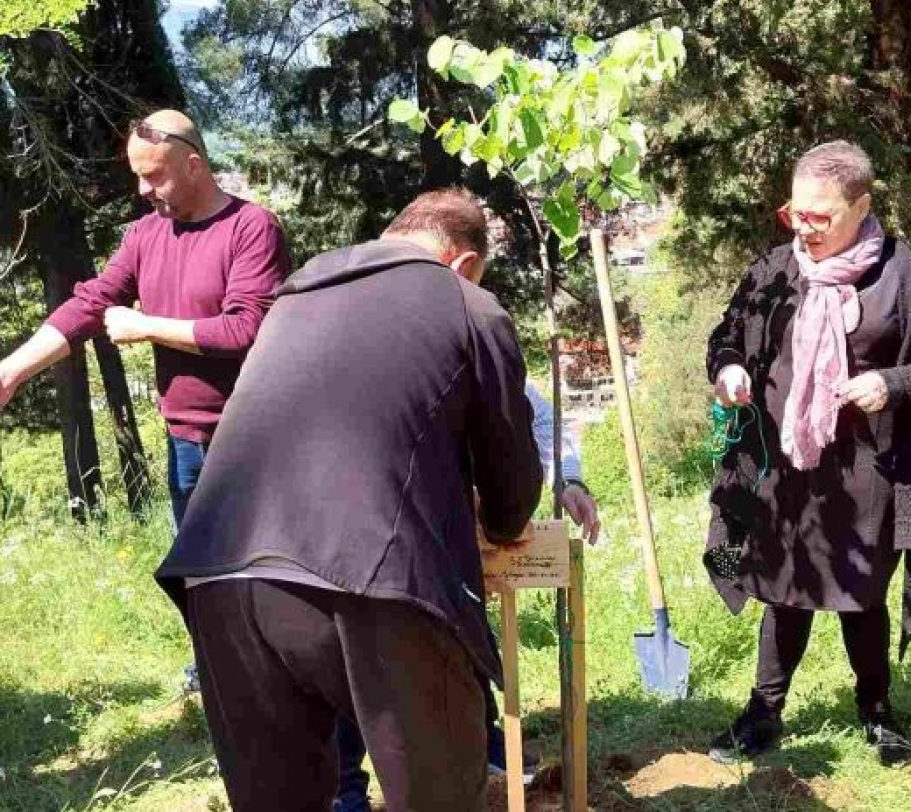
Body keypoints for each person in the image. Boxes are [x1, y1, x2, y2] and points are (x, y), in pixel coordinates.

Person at [155, 188, 544, 812]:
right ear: (464, 262)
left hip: (219, 572)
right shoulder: (468, 303)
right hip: (371, 577)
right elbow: (512, 491)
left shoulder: (296, 299)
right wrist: (497, 520)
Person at [0, 109, 289, 690]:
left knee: (264, 574)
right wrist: (10, 372)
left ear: (194, 163)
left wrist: (146, 325)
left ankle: (282, 678)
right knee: (198, 572)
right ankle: (218, 670)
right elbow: (88, 305)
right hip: (186, 440)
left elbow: (245, 330)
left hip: (254, 440)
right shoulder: (144, 235)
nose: (142, 190)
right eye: (136, 176)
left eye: (154, 176)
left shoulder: (251, 228)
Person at [703, 141, 911, 767]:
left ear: (862, 206)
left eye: (821, 216)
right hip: (782, 460)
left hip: (868, 466)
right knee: (782, 585)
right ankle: (764, 712)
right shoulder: (772, 272)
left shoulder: (909, 278)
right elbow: (726, 337)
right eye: (796, 213)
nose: (805, 228)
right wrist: (731, 368)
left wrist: (892, 385)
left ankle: (877, 711)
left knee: (862, 591)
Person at [330, 211, 601, 812]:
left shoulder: (466, 325)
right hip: (370, 542)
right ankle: (349, 789)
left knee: (465, 644)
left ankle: (492, 753)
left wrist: (567, 478)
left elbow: (532, 416)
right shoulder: (358, 334)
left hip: (454, 543)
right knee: (352, 673)